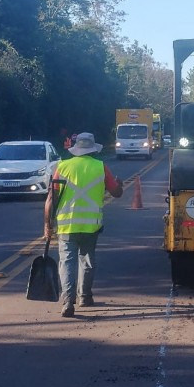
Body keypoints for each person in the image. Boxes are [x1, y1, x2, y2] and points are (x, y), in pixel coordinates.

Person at [43, 132, 123, 318]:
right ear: (93, 149)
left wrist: (47, 225)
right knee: (87, 260)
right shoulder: (100, 167)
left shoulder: (62, 167)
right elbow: (116, 193)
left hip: (66, 225)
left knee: (67, 262)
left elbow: (50, 200)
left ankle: (67, 302)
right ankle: (85, 297)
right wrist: (119, 184)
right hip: (91, 226)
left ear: (76, 149)